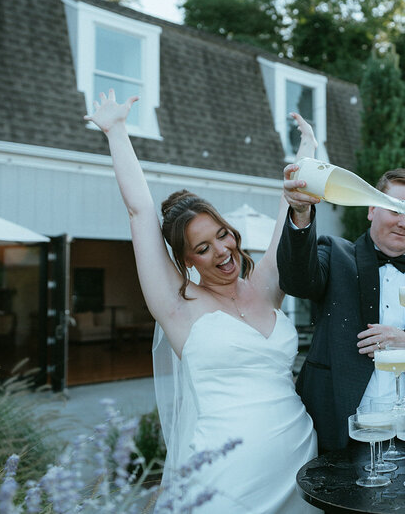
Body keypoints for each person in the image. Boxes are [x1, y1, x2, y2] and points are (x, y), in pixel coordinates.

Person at [84, 90, 320, 513]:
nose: (222, 251)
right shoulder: (179, 306)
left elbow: (291, 207)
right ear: (187, 260)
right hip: (225, 479)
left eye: (222, 235)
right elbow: (140, 212)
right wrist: (117, 132)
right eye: (203, 247)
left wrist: (308, 151)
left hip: (300, 460)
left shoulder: (266, 283)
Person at [278, 160, 405, 452]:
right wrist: (301, 214)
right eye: (395, 209)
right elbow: (296, 281)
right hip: (341, 431)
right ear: (371, 209)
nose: (404, 222)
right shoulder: (335, 255)